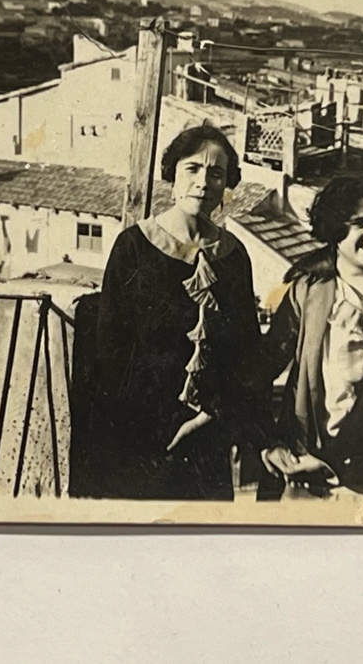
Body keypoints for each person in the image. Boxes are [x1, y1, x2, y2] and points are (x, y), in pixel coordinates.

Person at [93, 125, 264, 500]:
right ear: (172, 174)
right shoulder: (134, 246)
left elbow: (246, 351)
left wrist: (215, 416)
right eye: (193, 169)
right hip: (143, 432)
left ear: (226, 186)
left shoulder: (234, 256)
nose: (204, 182)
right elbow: (110, 349)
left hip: (208, 433)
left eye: (216, 173)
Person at [259, 177, 363, 501]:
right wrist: (270, 443)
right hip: (312, 472)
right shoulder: (307, 292)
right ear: (335, 228)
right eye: (359, 224)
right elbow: (259, 370)